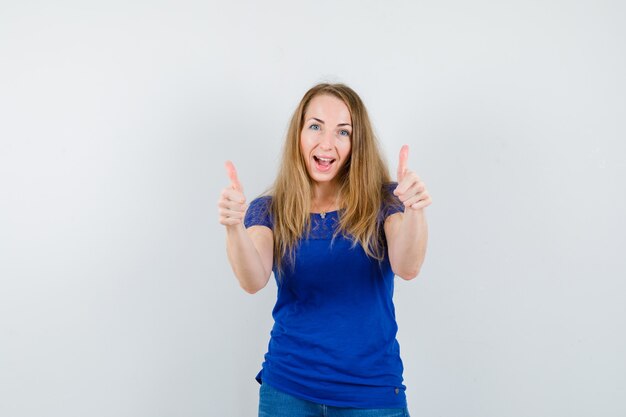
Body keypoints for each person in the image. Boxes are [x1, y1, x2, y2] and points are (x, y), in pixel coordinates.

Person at [218, 83, 431, 417]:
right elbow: (252, 279)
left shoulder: (384, 200)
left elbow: (408, 266)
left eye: (343, 132)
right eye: (315, 126)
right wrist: (233, 227)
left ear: (356, 143)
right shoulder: (270, 209)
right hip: (288, 390)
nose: (327, 143)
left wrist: (415, 210)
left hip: (371, 393)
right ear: (299, 134)